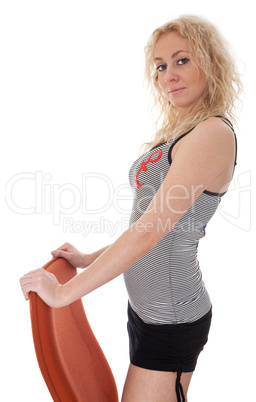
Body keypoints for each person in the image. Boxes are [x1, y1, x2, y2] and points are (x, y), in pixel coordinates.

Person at [20, 15, 242, 402]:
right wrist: (90, 258)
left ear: (210, 61)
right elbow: (151, 225)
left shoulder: (212, 133)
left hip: (171, 317)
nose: (168, 74)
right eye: (160, 66)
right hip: (149, 310)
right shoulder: (185, 131)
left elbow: (149, 232)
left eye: (182, 60)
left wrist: (64, 293)